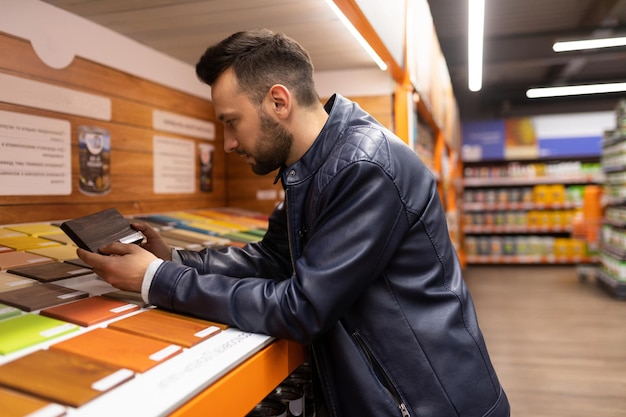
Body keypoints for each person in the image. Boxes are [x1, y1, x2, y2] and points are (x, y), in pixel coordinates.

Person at [77, 28, 510, 417]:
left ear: (278, 101)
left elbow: (303, 308)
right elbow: (274, 258)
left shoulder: (364, 166)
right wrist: (173, 257)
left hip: (428, 403)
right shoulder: (313, 163)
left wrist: (158, 279)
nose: (227, 144)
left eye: (231, 123)